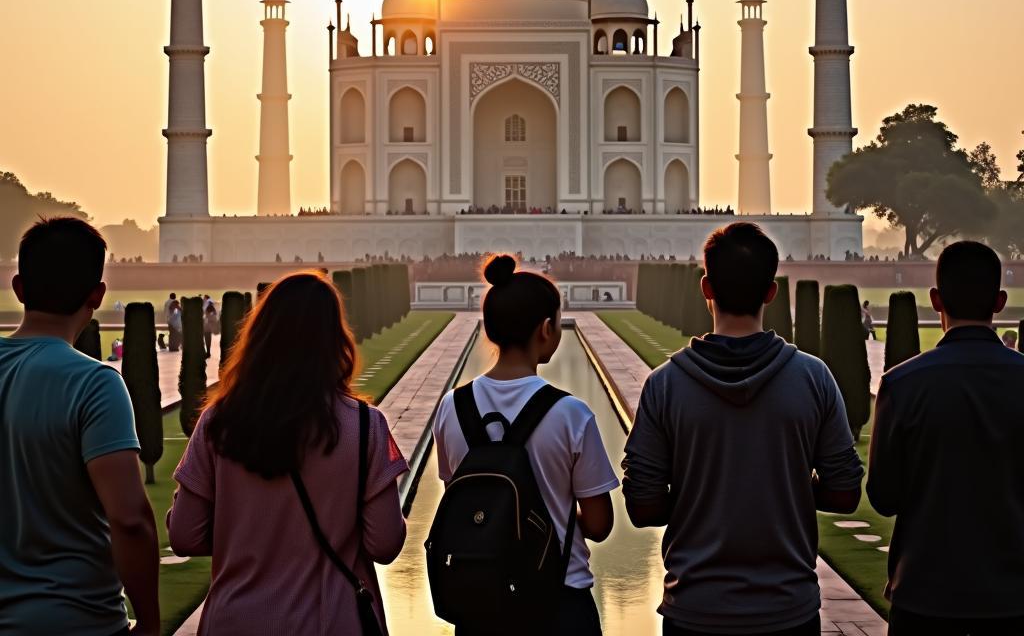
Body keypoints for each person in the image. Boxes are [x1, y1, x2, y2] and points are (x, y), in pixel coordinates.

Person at [623, 221, 863, 636]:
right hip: (787, 609)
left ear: (706, 288)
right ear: (771, 291)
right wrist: (784, 487)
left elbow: (642, 506)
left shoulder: (666, 384)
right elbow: (844, 494)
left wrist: (700, 494)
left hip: (696, 608)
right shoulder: (812, 378)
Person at [167, 271, 408, 634]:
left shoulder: (218, 422)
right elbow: (385, 543)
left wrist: (246, 533)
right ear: (335, 339)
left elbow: (184, 535)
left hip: (236, 620)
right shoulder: (363, 425)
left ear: (260, 336)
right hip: (331, 620)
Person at [431, 254, 617, 635]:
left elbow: (466, 498)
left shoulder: (451, 408)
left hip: (480, 601)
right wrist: (550, 516)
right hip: (559, 600)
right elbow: (598, 525)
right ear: (546, 329)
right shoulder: (571, 414)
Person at [0, 217, 160, 635]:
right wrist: (149, 621)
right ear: (97, 294)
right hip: (78, 619)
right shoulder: (94, 383)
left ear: (19, 289)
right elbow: (129, 518)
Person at [867, 240, 1024, 633]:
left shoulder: (902, 384)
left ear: (936, 300)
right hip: (1012, 596)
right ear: (1000, 301)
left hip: (925, 594)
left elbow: (883, 498)